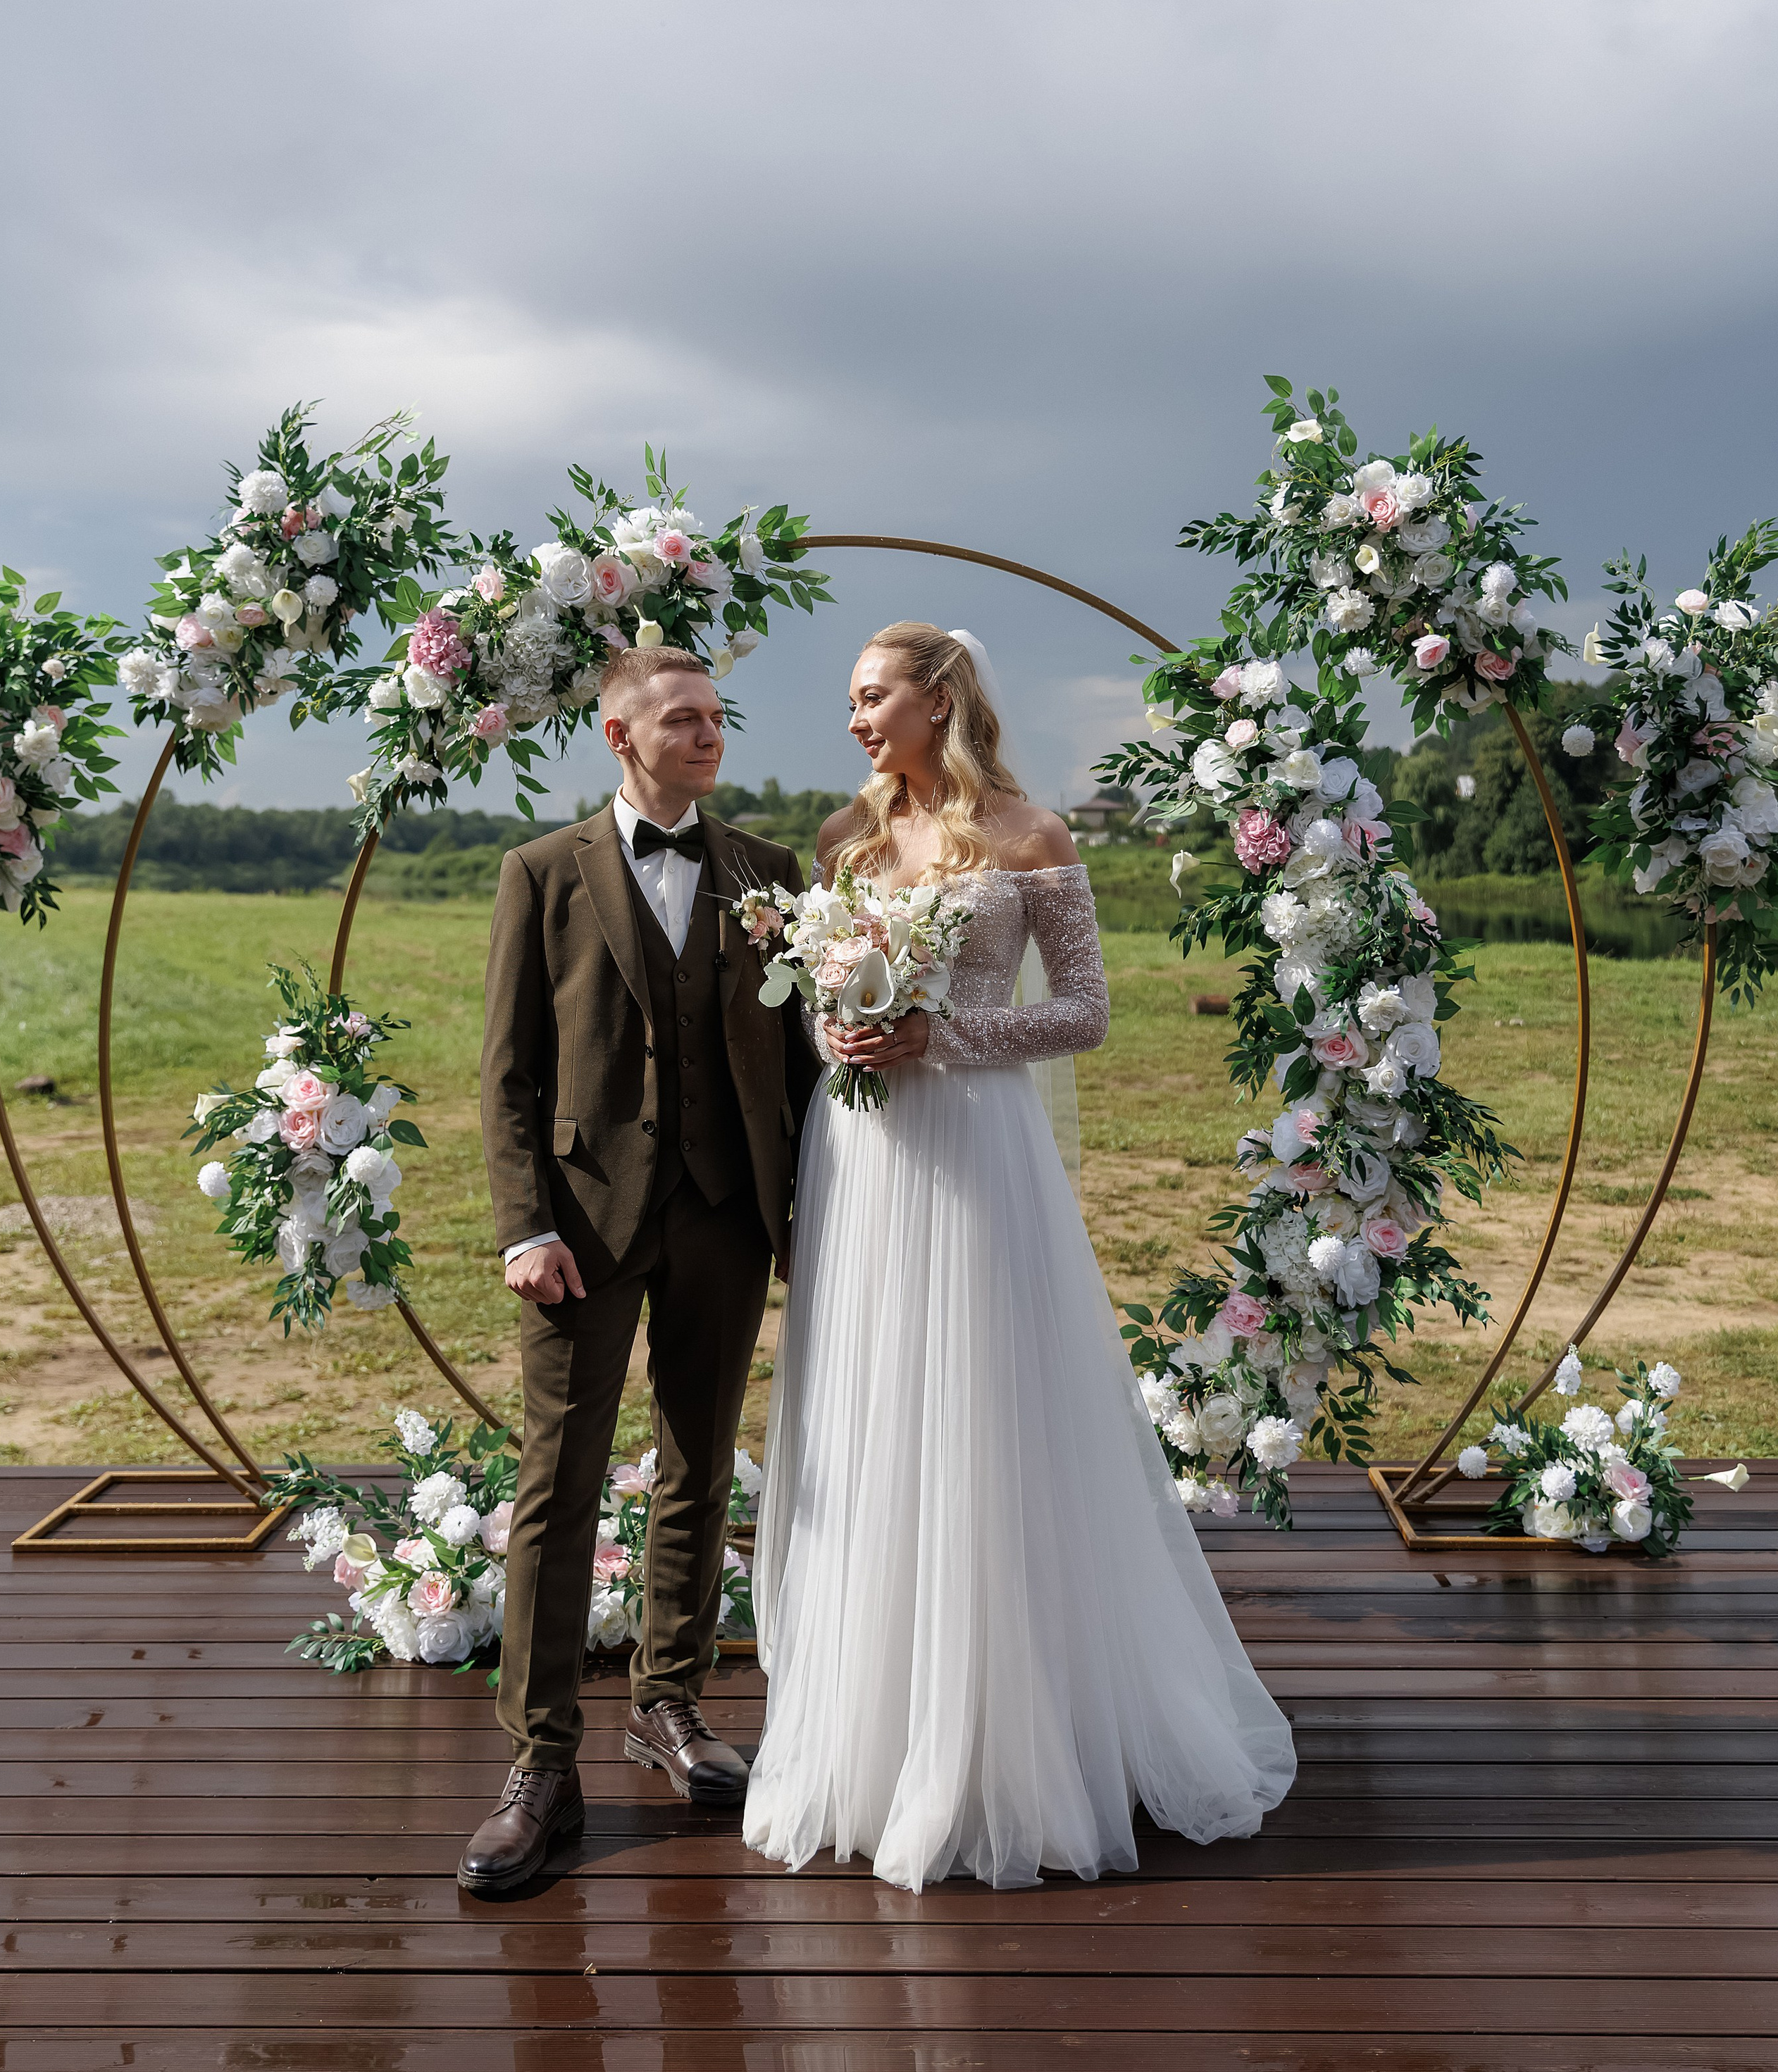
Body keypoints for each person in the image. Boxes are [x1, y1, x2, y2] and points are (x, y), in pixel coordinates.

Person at [743, 621, 1295, 1892]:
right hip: (869, 1158)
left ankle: (1010, 1736)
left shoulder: (1033, 837)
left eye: (873, 695)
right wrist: (848, 1029)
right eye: (850, 700)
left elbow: (1087, 1011)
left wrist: (942, 1034)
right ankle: (870, 1733)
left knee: (986, 1405)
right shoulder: (846, 842)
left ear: (941, 698)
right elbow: (823, 1007)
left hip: (983, 1147)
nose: (855, 719)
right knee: (871, 1405)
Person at [459, 644, 821, 1894]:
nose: (707, 735)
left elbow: (807, 1067)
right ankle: (538, 1760)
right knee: (556, 1482)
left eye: (717, 717)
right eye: (683, 719)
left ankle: (668, 1701)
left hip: (725, 1216)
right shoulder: (542, 875)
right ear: (620, 736)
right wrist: (523, 1227)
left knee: (700, 1465)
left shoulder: (769, 875)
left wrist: (810, 1213)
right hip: (582, 1227)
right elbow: (508, 1073)